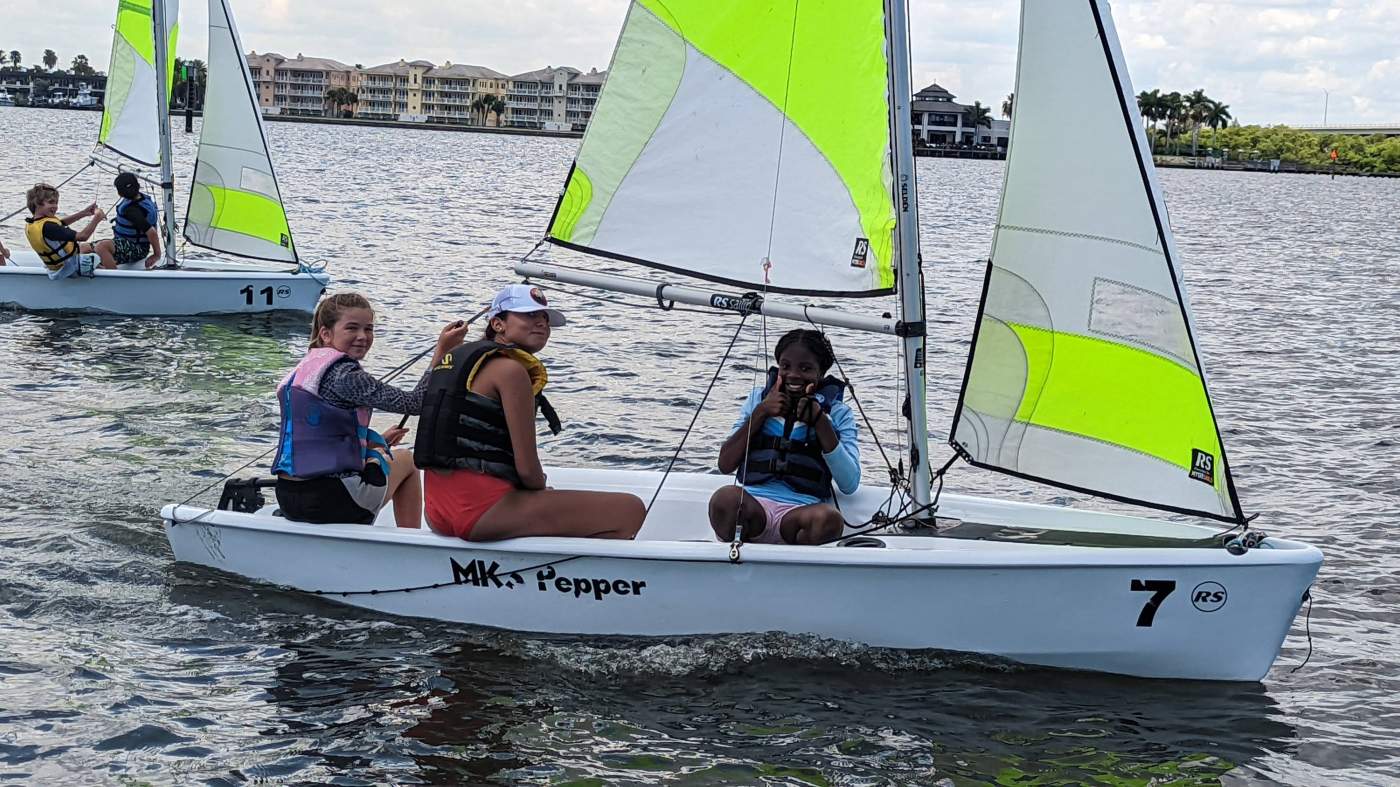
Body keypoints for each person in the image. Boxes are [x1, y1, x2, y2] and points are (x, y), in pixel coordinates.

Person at [416, 284, 645, 542]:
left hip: (436, 512)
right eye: (529, 315)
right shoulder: (511, 371)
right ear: (498, 324)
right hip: (479, 511)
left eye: (544, 319)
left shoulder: (456, 357)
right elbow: (527, 470)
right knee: (629, 510)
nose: (542, 324)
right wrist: (541, 489)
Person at [272, 292, 471, 528]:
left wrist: (376, 442)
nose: (362, 337)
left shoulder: (304, 370)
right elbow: (416, 403)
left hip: (288, 496)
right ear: (325, 333)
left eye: (368, 329)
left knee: (388, 453)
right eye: (352, 328)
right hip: (330, 501)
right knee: (407, 460)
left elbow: (320, 432)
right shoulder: (347, 376)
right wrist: (442, 352)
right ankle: (408, 541)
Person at [708, 329, 860, 545]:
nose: (794, 375)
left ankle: (793, 565)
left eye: (806, 368)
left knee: (829, 518)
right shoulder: (758, 400)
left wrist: (821, 423)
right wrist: (761, 412)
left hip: (800, 515)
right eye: (786, 366)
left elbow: (849, 483)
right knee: (724, 498)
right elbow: (725, 464)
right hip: (754, 507)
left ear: (821, 373)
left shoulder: (838, 413)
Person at [23, 182, 116, 278]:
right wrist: (97, 218)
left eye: (56, 203)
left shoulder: (35, 223)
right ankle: (114, 282)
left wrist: (84, 213)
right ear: (37, 203)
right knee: (96, 258)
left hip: (58, 268)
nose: (55, 206)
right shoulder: (48, 227)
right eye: (51, 202)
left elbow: (61, 224)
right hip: (69, 269)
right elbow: (83, 236)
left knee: (86, 248)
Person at [96, 172, 162, 269]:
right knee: (84, 248)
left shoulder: (132, 211)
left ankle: (114, 278)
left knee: (101, 247)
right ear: (138, 187)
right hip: (123, 244)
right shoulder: (140, 198)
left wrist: (156, 255)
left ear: (119, 193)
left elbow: (151, 232)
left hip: (137, 249)